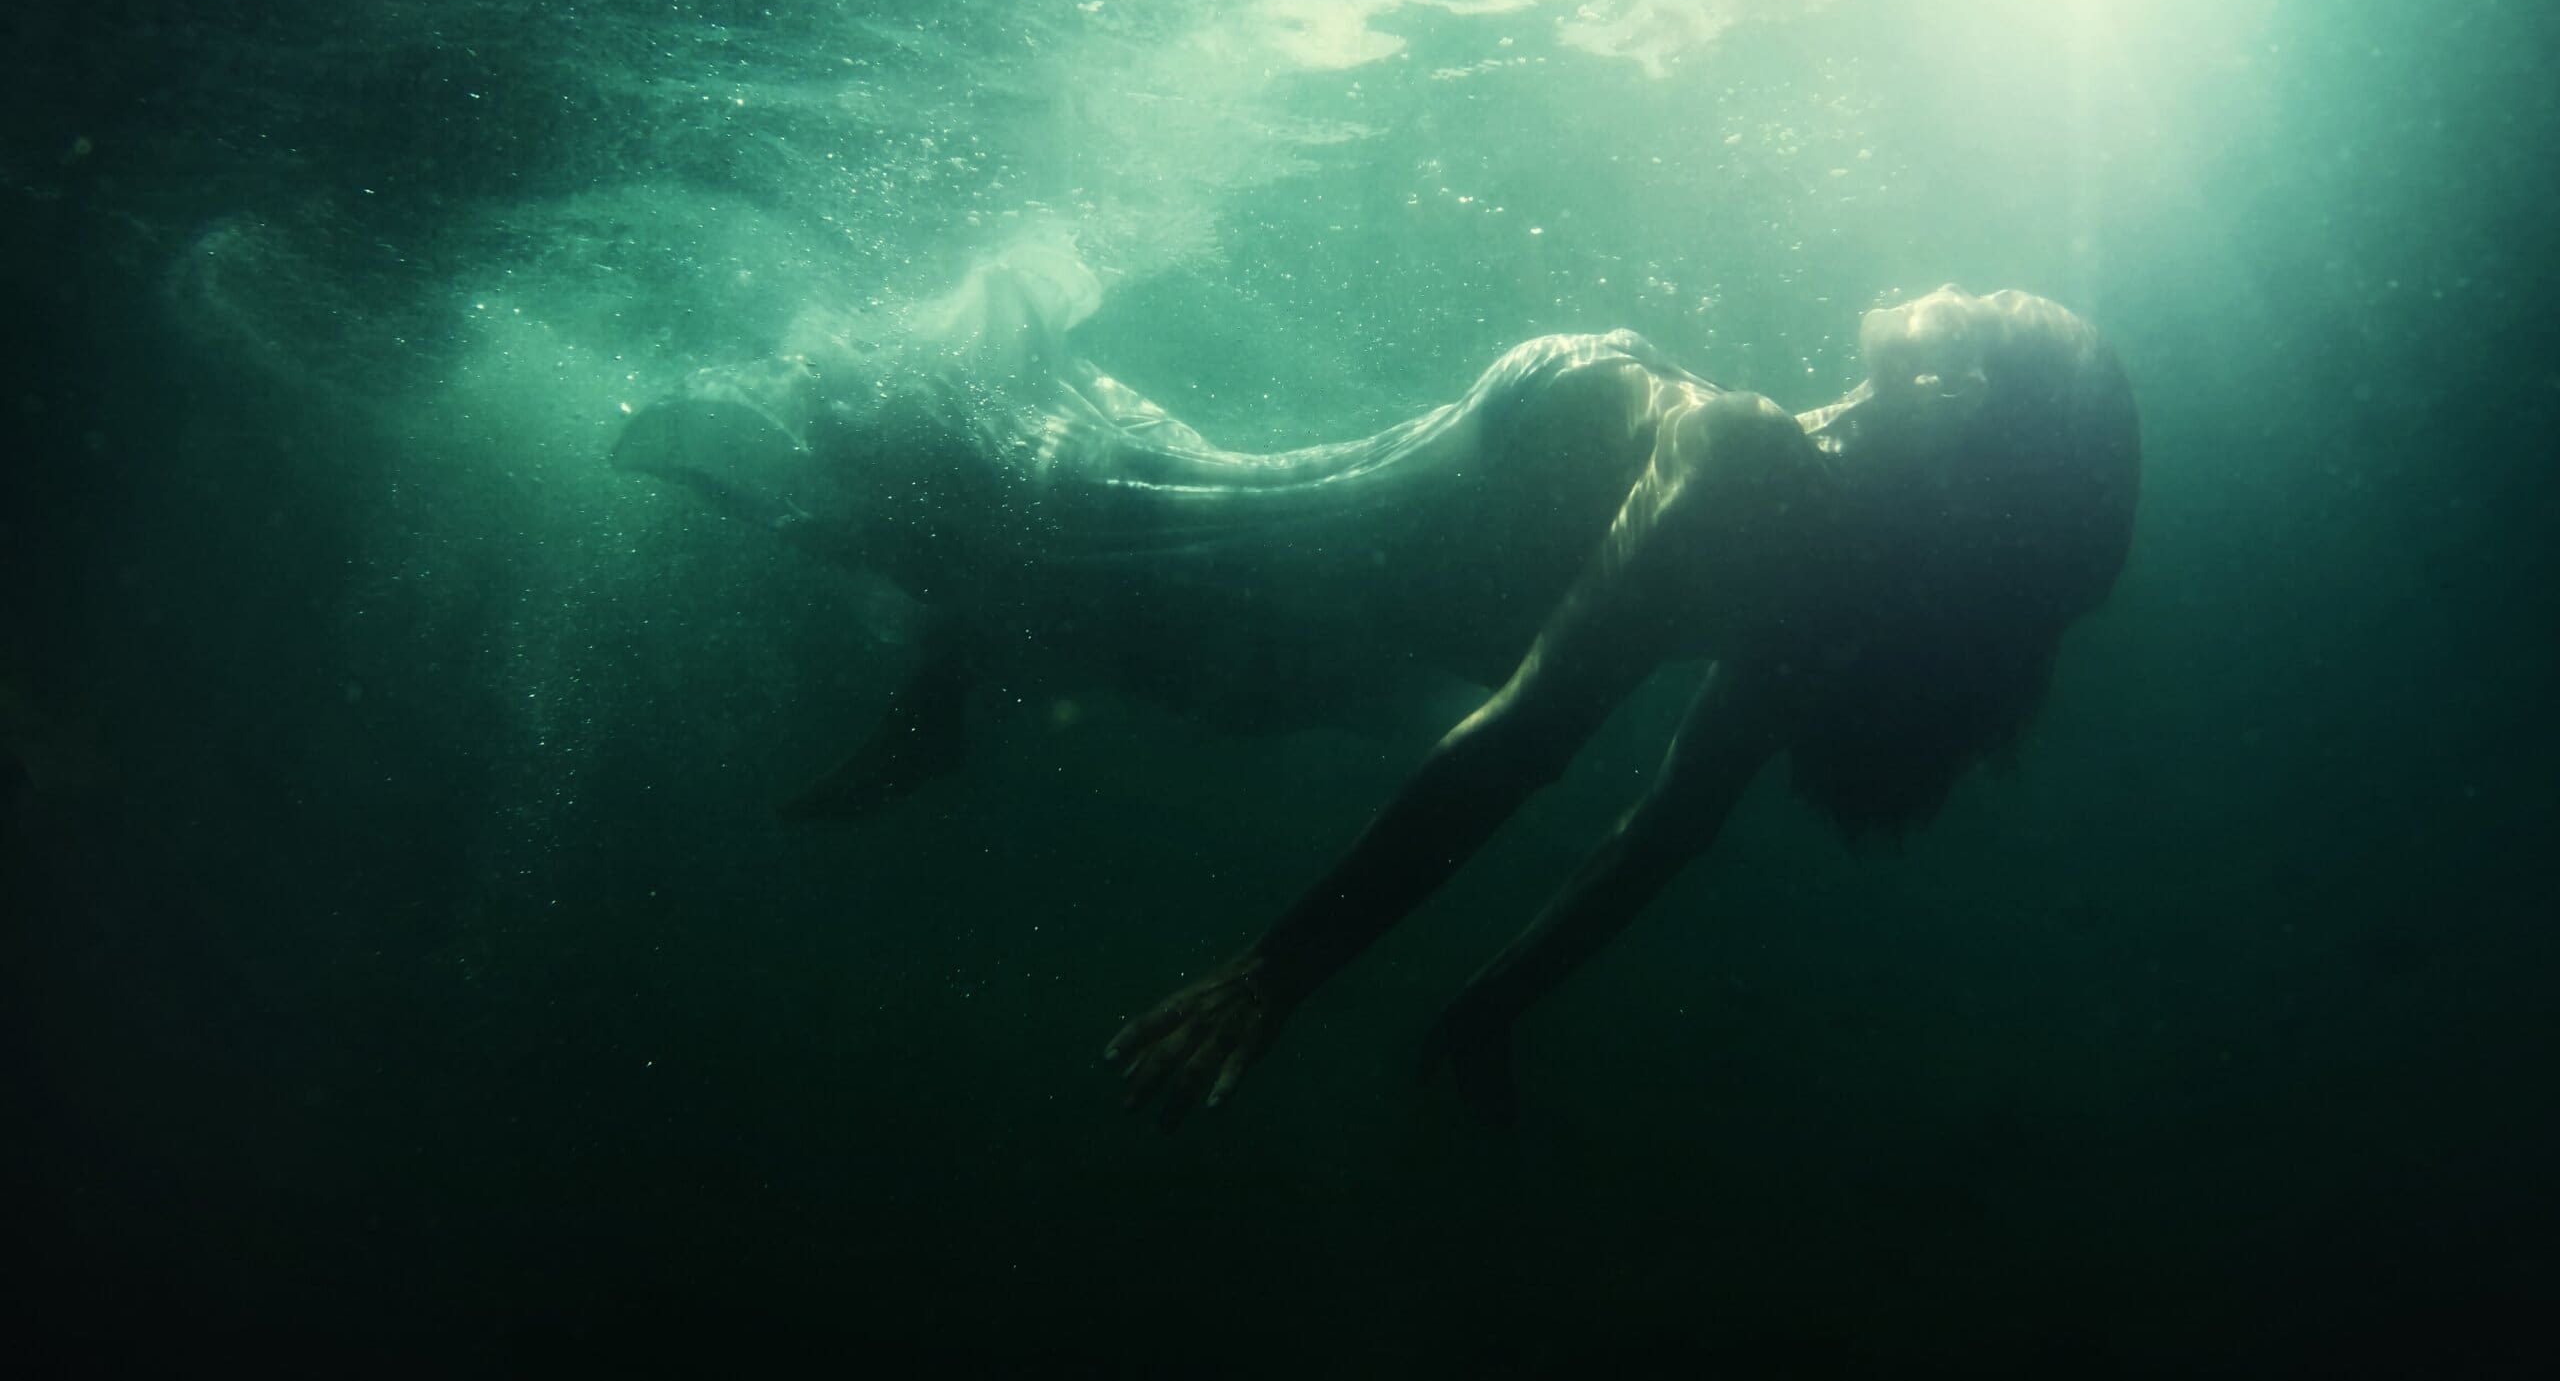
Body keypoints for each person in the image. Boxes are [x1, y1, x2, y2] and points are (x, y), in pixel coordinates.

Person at [616, 246, 2140, 1122]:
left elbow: (1550, 755)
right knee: (1031, 525)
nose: (1964, 289)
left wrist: (1294, 970)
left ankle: (927, 697)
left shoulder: (1749, 479)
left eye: (1990, 321)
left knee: (1038, 540)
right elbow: (1640, 833)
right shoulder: (1810, 566)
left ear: (1961, 411)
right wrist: (1486, 1005)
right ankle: (934, 706)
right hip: (1319, 562)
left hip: (1347, 609)